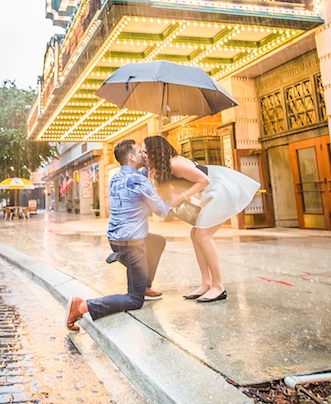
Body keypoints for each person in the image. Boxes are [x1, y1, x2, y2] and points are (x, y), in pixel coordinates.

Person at [66, 139, 170, 331]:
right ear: (131, 157)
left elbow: (139, 179)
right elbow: (162, 211)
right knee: (134, 299)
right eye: (140, 151)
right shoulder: (139, 181)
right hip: (132, 246)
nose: (143, 154)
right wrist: (177, 195)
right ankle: (83, 306)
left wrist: (149, 165)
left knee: (157, 242)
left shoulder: (116, 177)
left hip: (116, 241)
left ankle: (145, 285)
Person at [142, 135, 260, 304]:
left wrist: (181, 197)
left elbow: (204, 180)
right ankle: (206, 283)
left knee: (203, 235)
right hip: (212, 191)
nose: (143, 154)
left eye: (145, 151)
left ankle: (219, 287)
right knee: (195, 233)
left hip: (220, 188)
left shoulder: (175, 163)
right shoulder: (164, 166)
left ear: (154, 151)